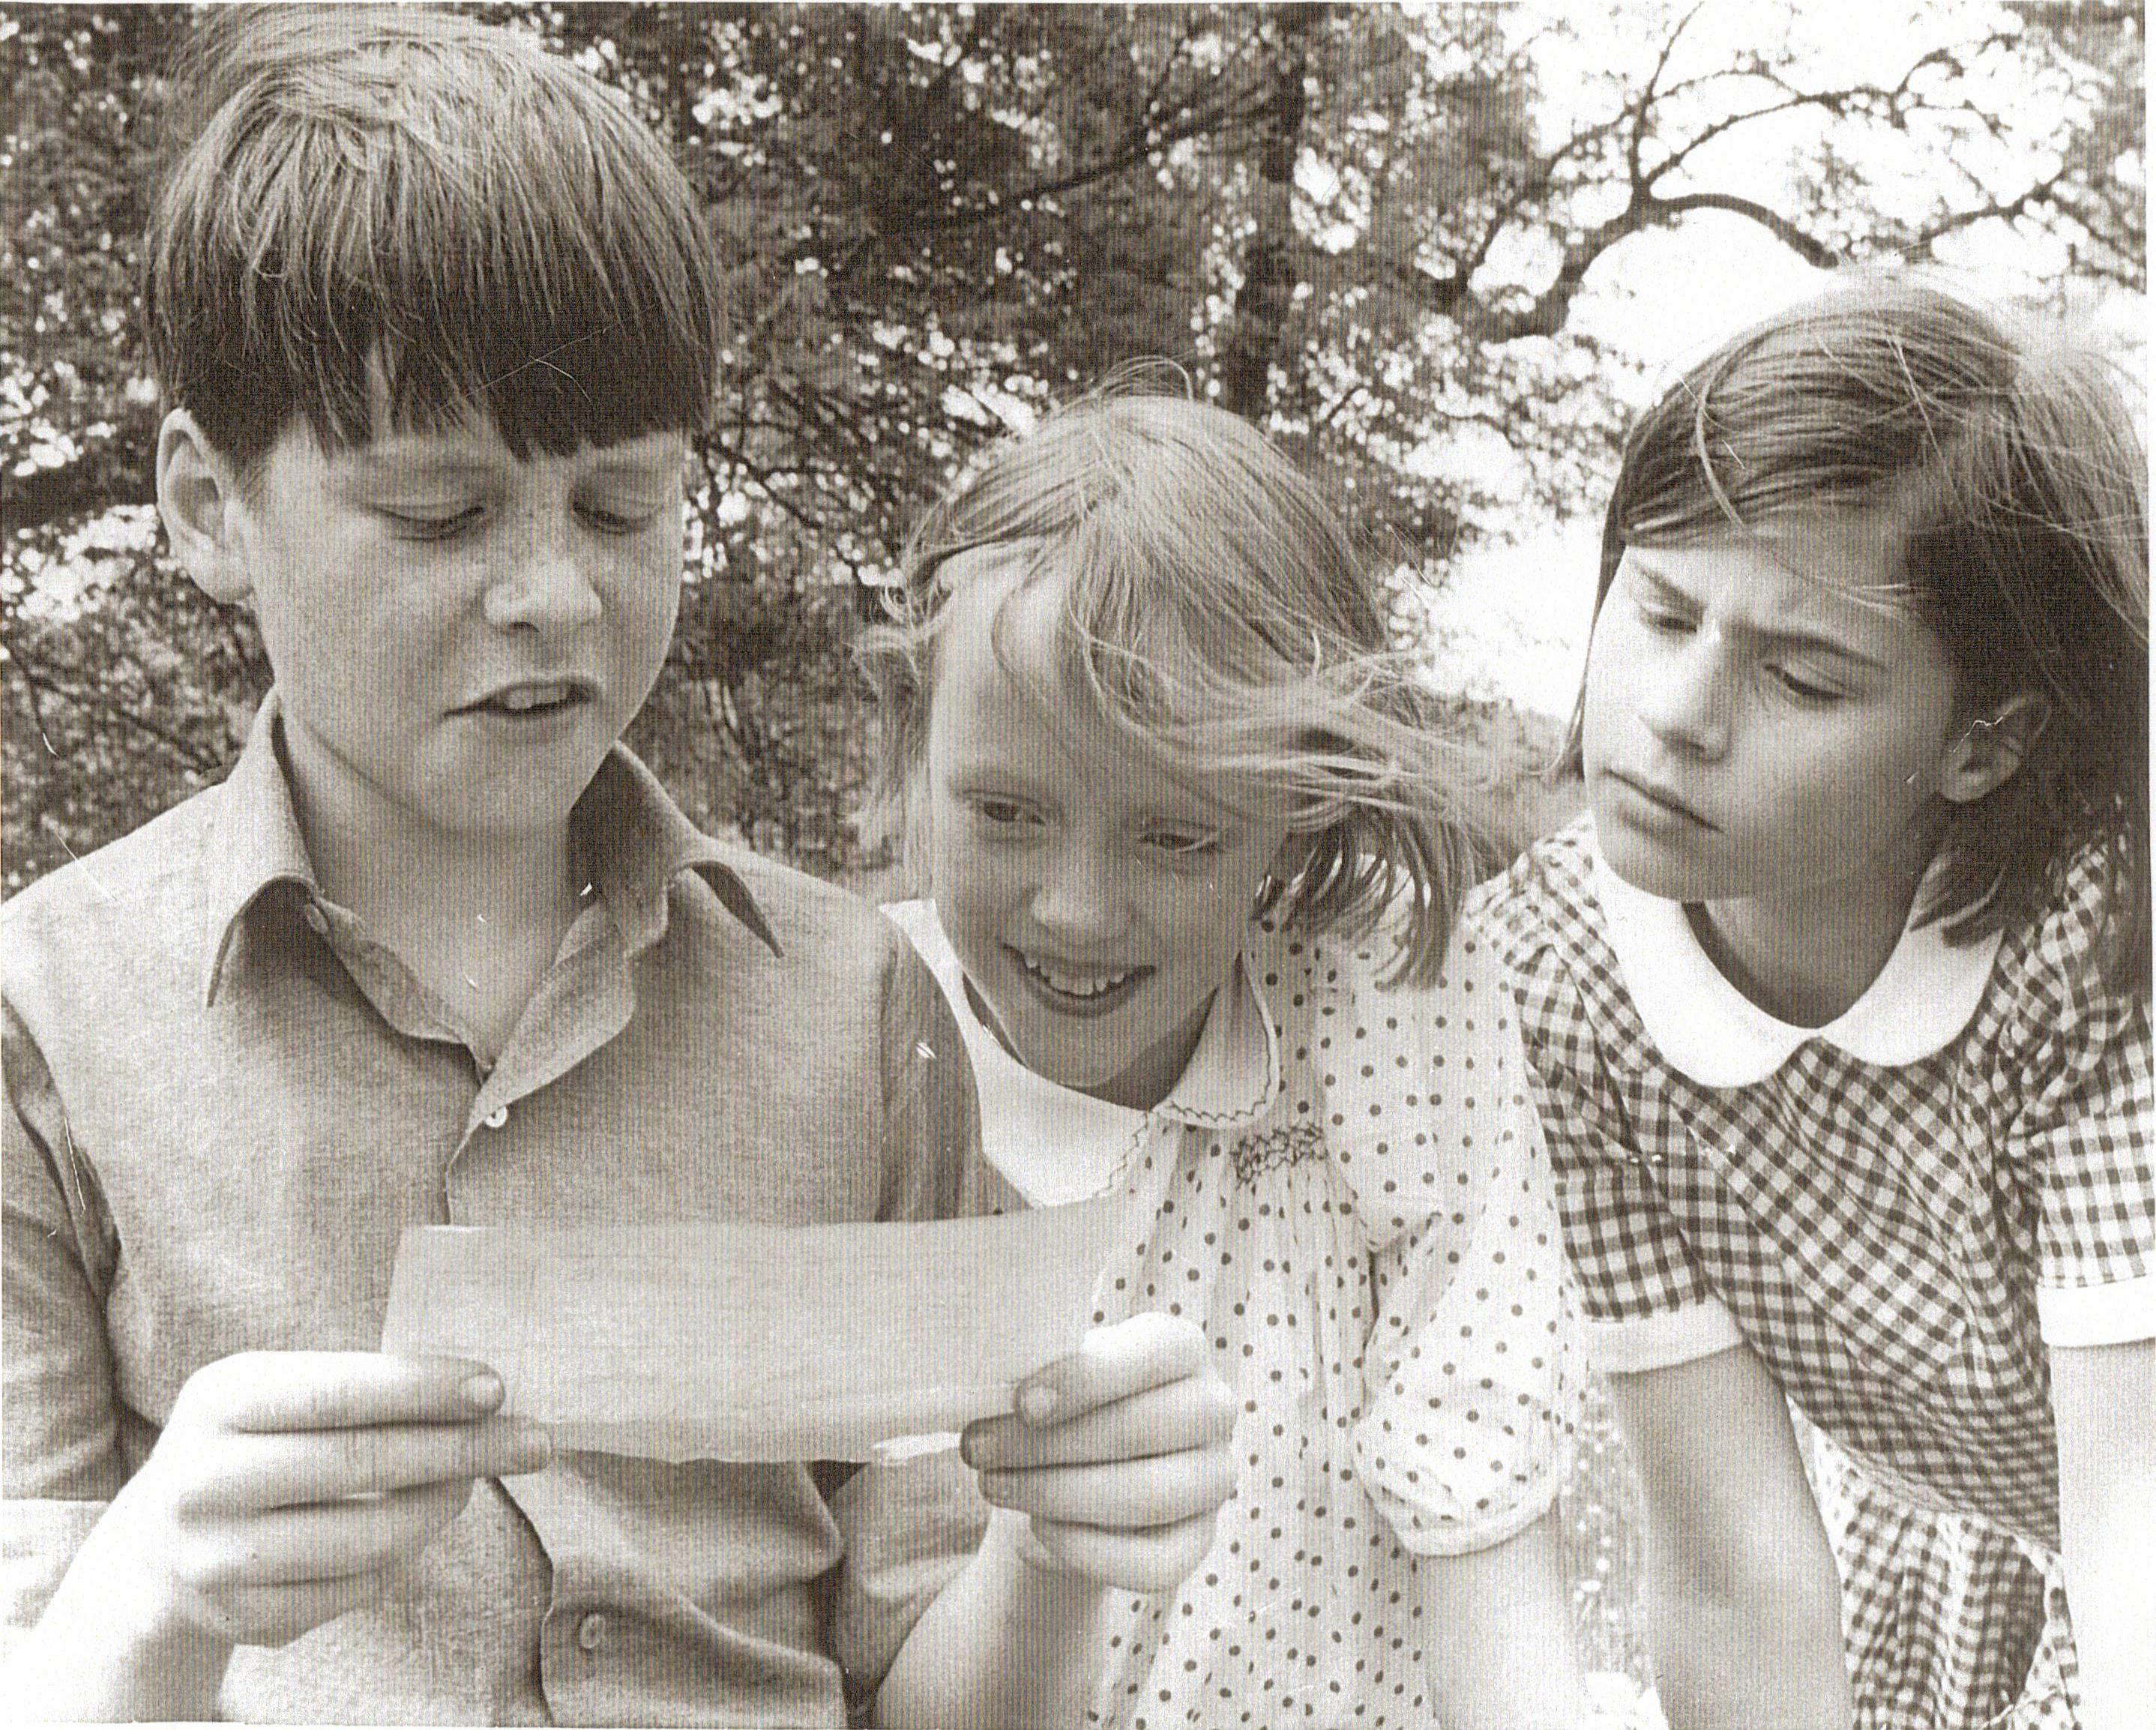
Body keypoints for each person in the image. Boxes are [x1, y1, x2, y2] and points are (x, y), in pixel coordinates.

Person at [1, 10, 1231, 1723]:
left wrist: (1060, 1539)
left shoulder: (852, 1000)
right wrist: (147, 1600)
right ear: (209, 507)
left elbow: (941, 1696)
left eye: (622, 506)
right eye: (441, 515)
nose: (555, 597)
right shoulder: (42, 1019)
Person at [1469, 278, 2153, 1730]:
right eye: (1659, 610)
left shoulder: (2101, 939)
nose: (1676, 713)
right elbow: (1733, 1570)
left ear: (1985, 740)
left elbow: (2135, 1524)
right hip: (1966, 1534)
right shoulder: (1547, 973)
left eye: (1800, 676)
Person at [858, 388, 1593, 1730]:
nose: (1079, 909)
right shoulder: (847, 1064)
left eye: (1177, 838)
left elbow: (1482, 1541)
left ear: (1292, 812)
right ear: (914, 743)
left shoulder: (1391, 1010)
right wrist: (1049, 1547)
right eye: (1008, 812)